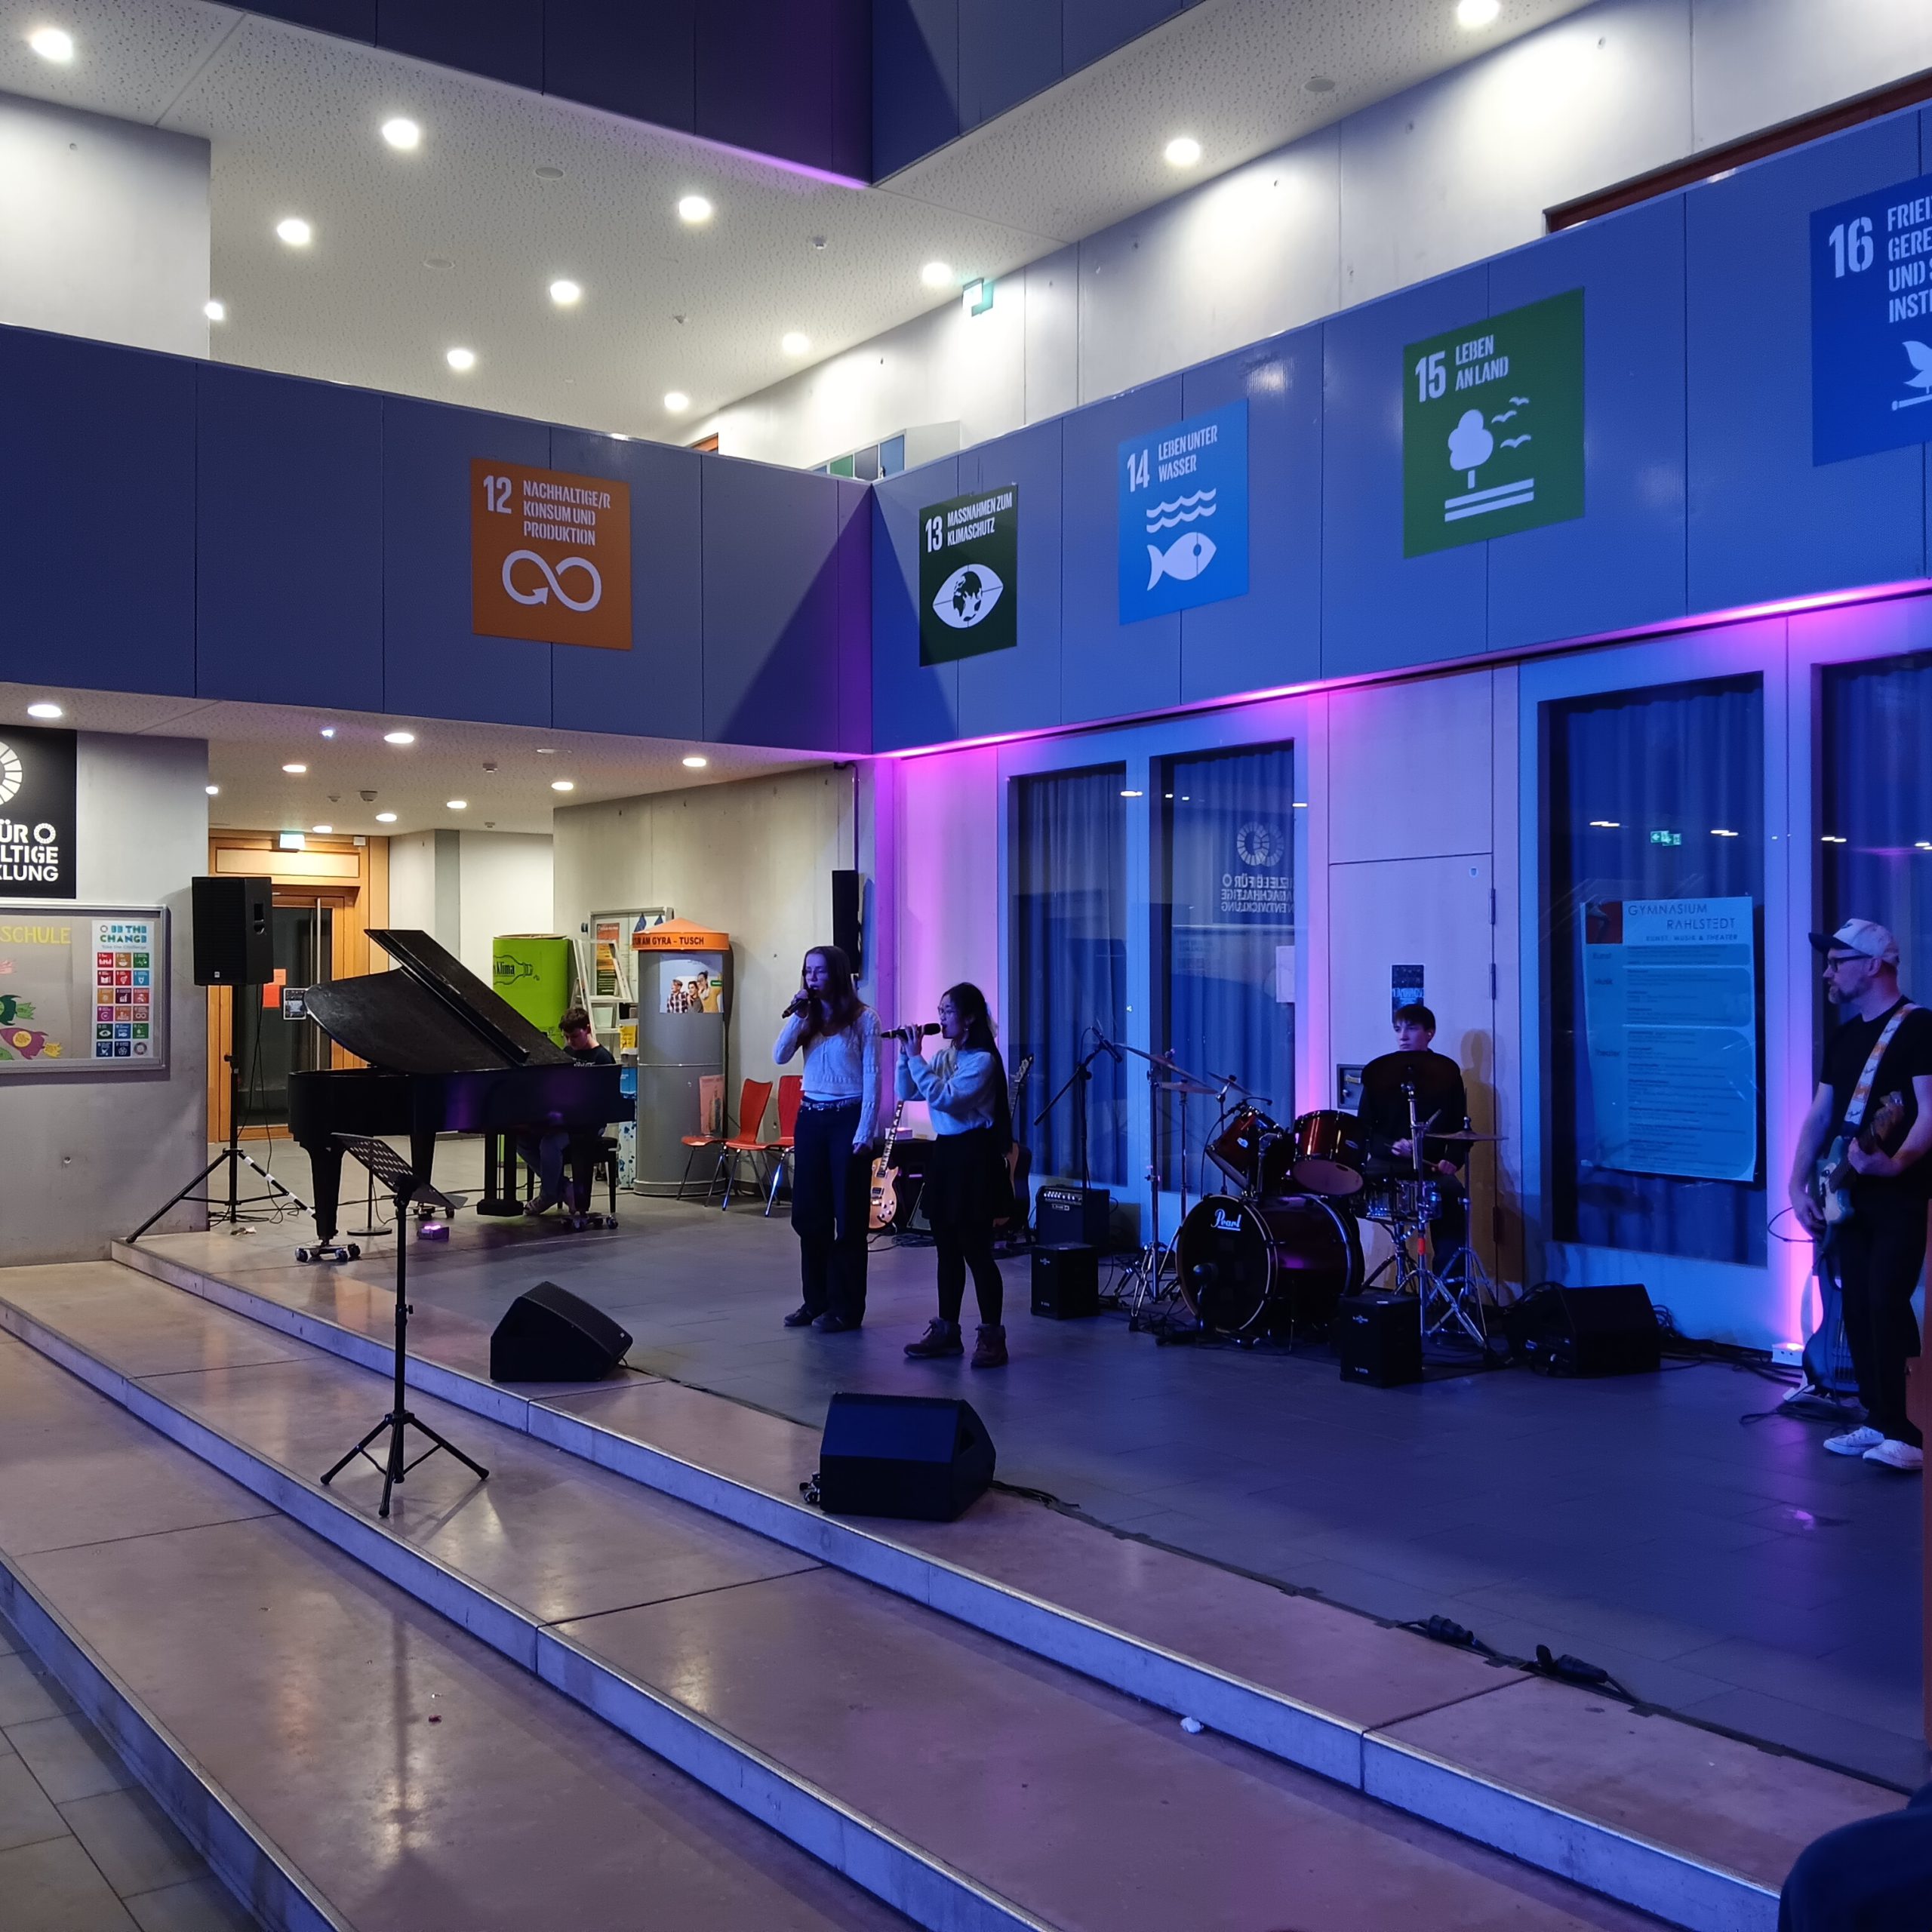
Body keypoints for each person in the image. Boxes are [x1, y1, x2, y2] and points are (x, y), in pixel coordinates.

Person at [1786, 919, 1932, 1472]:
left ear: (1873, 965)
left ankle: (1912, 1430)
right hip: (1847, 1192)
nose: (1827, 973)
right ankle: (1878, 1415)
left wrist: (1896, 1162)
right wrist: (1798, 1183)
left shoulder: (1919, 1028)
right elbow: (1821, 1115)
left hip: (1900, 1193)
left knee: (1887, 1301)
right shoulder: (1847, 1037)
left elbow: (1928, 1111)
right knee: (1857, 1305)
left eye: (1836, 963)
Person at [900, 982, 1012, 1370]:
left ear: (969, 1018)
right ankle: (947, 1331)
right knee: (946, 1249)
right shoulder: (946, 1056)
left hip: (974, 1157)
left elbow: (945, 1098)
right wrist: (905, 1058)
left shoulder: (983, 1061)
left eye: (948, 1011)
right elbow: (910, 1092)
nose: (941, 1017)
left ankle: (992, 1337)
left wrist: (916, 1058)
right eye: (940, 1010)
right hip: (946, 1154)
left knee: (976, 1251)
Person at [773, 944, 879, 1333]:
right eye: (808, 971)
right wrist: (798, 1017)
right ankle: (814, 1300)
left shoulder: (865, 1019)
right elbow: (780, 1055)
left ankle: (846, 1307)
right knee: (809, 1214)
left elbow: (873, 1076)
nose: (812, 978)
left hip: (848, 1117)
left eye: (819, 971)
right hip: (812, 1117)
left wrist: (866, 1130)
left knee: (848, 1217)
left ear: (837, 974)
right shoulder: (809, 1017)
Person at [1358, 1003, 1469, 1269]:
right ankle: (1351, 1274)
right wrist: (1392, 1146)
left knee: (1453, 1193)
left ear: (1430, 1033)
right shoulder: (1379, 1072)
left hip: (1431, 1166)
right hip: (1387, 1163)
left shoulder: (1447, 1072)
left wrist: (1452, 1160)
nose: (1403, 1036)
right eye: (1398, 1029)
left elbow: (1461, 1126)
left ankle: (1448, 1282)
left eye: (1411, 1028)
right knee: (1341, 1189)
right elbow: (1364, 1129)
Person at [519, 1007, 617, 1216]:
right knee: (523, 1142)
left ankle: (548, 1195)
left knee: (549, 1144)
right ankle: (563, 1189)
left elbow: (605, 1100)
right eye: (567, 1037)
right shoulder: (568, 1053)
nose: (570, 1042)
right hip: (566, 1119)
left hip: (589, 1123)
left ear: (587, 1029)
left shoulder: (602, 1058)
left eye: (575, 1036)